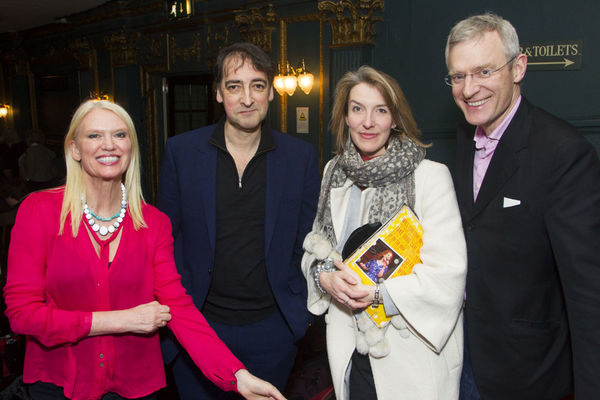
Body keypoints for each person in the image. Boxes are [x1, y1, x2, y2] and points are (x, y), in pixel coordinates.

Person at [3, 100, 286, 400]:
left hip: (136, 388)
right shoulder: (39, 212)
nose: (109, 145)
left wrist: (236, 376)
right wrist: (122, 320)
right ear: (74, 149)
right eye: (95, 136)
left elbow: (178, 308)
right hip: (57, 385)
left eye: (120, 135)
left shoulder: (153, 224)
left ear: (131, 147)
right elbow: (23, 314)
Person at [445, 13, 600, 400]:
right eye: (458, 76)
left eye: (483, 71)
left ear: (518, 67)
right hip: (459, 358)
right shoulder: (464, 138)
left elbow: (587, 294)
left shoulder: (562, 152)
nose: (469, 89)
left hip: (527, 374)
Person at [157, 42, 320, 399]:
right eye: (234, 86)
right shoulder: (181, 152)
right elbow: (164, 242)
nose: (247, 98)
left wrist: (296, 318)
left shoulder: (300, 157)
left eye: (257, 85)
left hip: (273, 330)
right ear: (218, 93)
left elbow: (308, 241)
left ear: (271, 93)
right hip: (199, 327)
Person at [301, 65, 467, 400]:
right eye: (357, 109)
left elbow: (449, 274)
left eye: (381, 110)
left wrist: (378, 296)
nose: (367, 122)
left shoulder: (430, 177)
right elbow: (315, 252)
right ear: (345, 116)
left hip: (413, 351)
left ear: (395, 118)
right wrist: (324, 279)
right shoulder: (334, 173)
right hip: (350, 345)